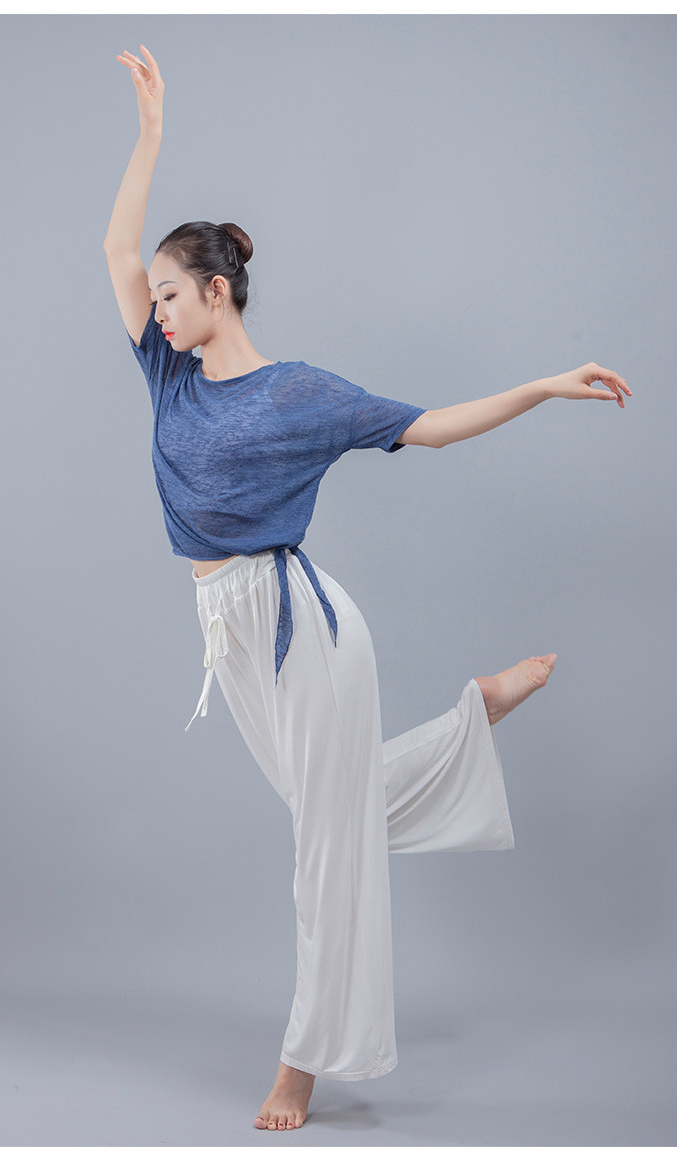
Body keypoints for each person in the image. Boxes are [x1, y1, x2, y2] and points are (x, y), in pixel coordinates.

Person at [103, 44, 632, 1133]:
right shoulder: (166, 374)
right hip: (227, 631)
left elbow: (430, 427)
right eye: (152, 297)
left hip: (302, 629)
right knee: (333, 814)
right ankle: (474, 716)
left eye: (171, 293)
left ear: (217, 291)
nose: (157, 309)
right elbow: (115, 247)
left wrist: (543, 385)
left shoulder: (301, 394)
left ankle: (301, 1062)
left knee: (323, 849)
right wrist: (151, 137)